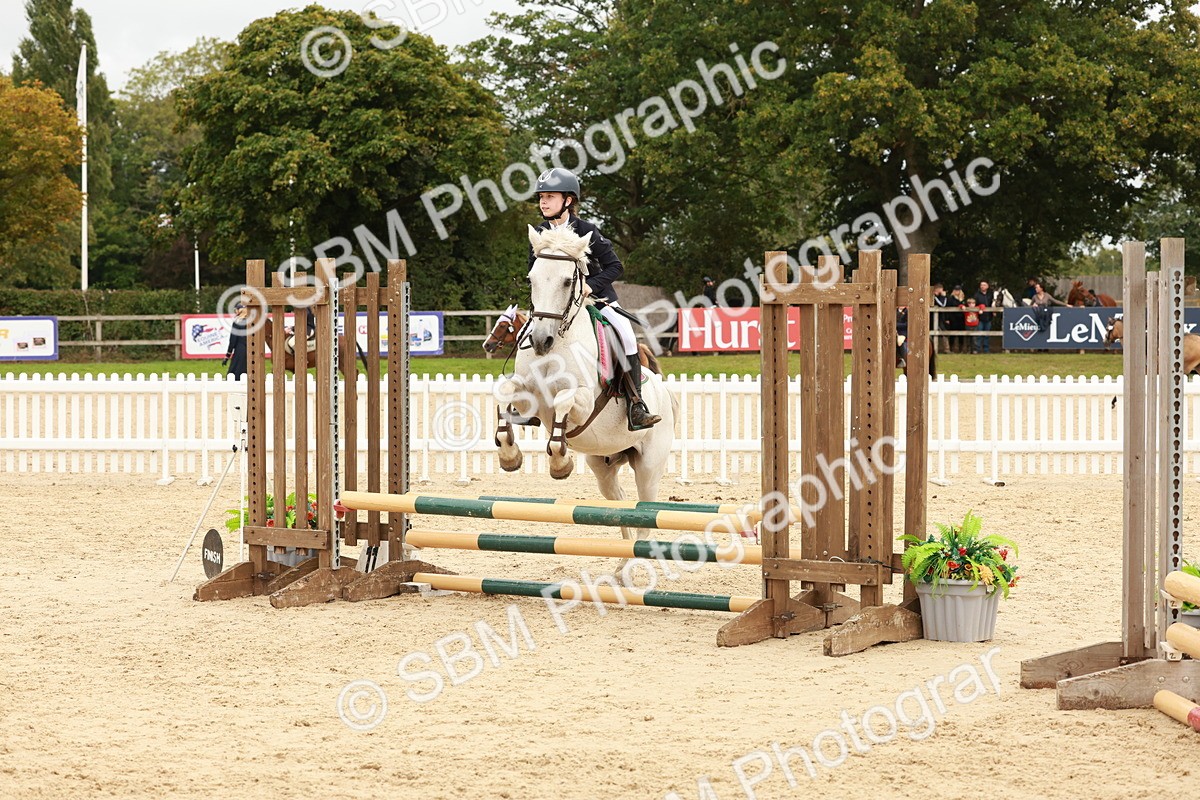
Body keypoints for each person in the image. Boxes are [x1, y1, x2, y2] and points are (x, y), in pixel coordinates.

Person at [529, 167, 661, 430]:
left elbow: (615, 266)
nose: (543, 202)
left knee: (626, 336)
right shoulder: (540, 233)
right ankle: (529, 400)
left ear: (568, 200)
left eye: (550, 196)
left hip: (597, 299)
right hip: (555, 304)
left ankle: (636, 405)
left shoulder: (586, 230)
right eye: (542, 197)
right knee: (529, 335)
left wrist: (590, 286)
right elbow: (534, 272)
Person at [223, 302, 249, 378]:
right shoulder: (252, 322)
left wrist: (227, 355)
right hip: (251, 351)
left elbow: (233, 341)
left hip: (240, 351)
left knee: (234, 375)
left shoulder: (237, 322)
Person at [972, 280, 996, 354]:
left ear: (987, 286)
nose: (982, 286)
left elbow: (993, 304)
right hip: (980, 318)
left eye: (984, 285)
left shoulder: (990, 295)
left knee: (987, 335)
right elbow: (974, 305)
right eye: (981, 285)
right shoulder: (976, 295)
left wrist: (994, 311)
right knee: (979, 334)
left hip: (989, 317)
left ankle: (986, 350)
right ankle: (978, 349)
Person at [931, 283, 949, 353]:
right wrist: (943, 297)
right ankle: (934, 349)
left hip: (940, 318)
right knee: (934, 333)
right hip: (933, 318)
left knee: (943, 332)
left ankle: (946, 349)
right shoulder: (934, 297)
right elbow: (942, 304)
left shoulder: (940, 297)